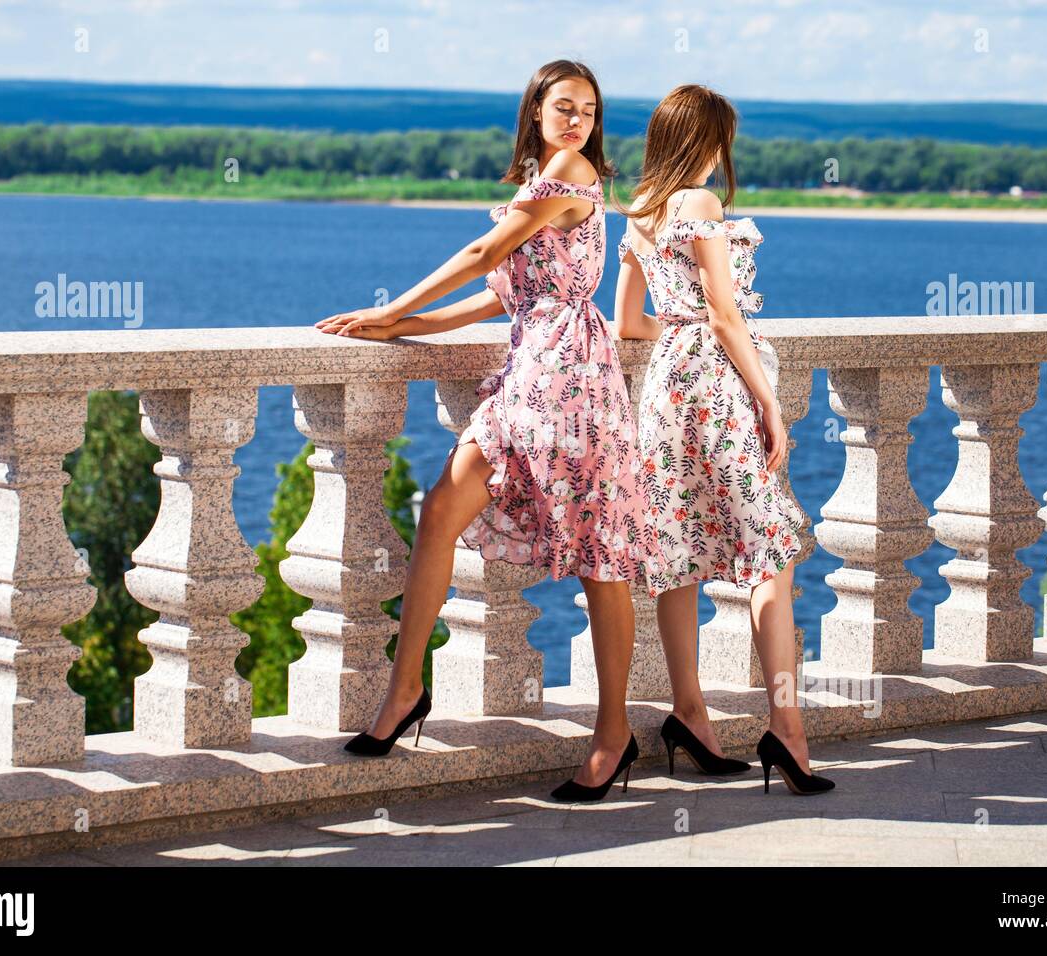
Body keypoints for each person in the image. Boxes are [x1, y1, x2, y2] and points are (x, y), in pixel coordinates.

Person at [316, 59, 659, 802]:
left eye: (588, 110)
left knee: (599, 555)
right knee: (442, 511)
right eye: (563, 107)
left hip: (570, 382)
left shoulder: (570, 172)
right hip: (528, 374)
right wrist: (401, 328)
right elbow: (499, 297)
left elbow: (482, 256)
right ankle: (406, 692)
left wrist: (389, 307)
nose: (577, 121)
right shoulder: (542, 185)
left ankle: (613, 737)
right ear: (535, 110)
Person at [613, 84, 834, 795]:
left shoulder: (641, 211)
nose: (721, 155)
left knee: (677, 551)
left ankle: (690, 714)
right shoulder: (700, 205)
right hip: (715, 384)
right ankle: (787, 731)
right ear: (703, 141)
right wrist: (768, 402)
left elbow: (629, 323)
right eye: (719, 141)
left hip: (666, 386)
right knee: (771, 553)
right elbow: (724, 315)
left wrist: (676, 332)